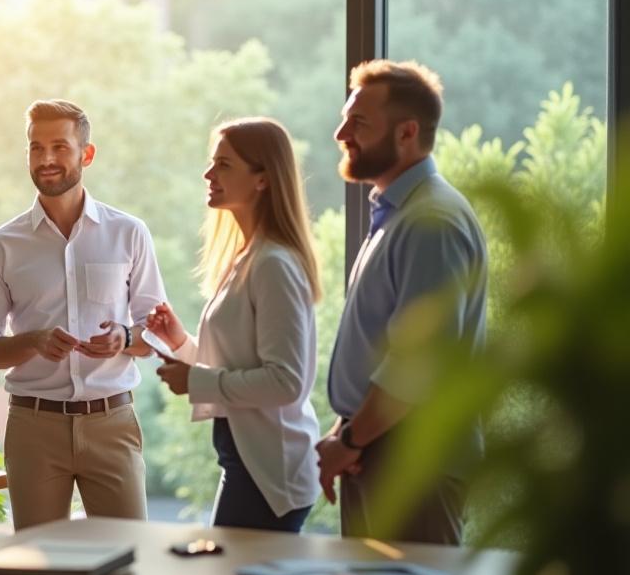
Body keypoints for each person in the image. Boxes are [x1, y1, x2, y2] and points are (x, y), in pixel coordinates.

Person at [0, 98, 168, 531]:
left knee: (130, 557)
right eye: (36, 148)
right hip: (33, 427)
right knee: (39, 565)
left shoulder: (128, 233)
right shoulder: (1, 246)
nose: (47, 159)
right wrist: (32, 342)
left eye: (59, 147)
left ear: (86, 154)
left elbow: (157, 331)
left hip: (112, 423)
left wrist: (125, 337)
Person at [316, 59, 487, 546]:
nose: (340, 133)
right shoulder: (399, 213)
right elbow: (379, 346)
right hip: (378, 449)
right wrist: (346, 436)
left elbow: (416, 364)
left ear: (407, 132)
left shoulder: (432, 221)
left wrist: (347, 442)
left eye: (359, 122)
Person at [147, 117, 322, 533]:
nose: (208, 174)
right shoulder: (248, 259)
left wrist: (197, 381)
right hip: (247, 468)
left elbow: (285, 382)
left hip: (269, 477)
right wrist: (181, 343)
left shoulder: (273, 265)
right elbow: (236, 361)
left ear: (262, 179)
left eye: (223, 165)